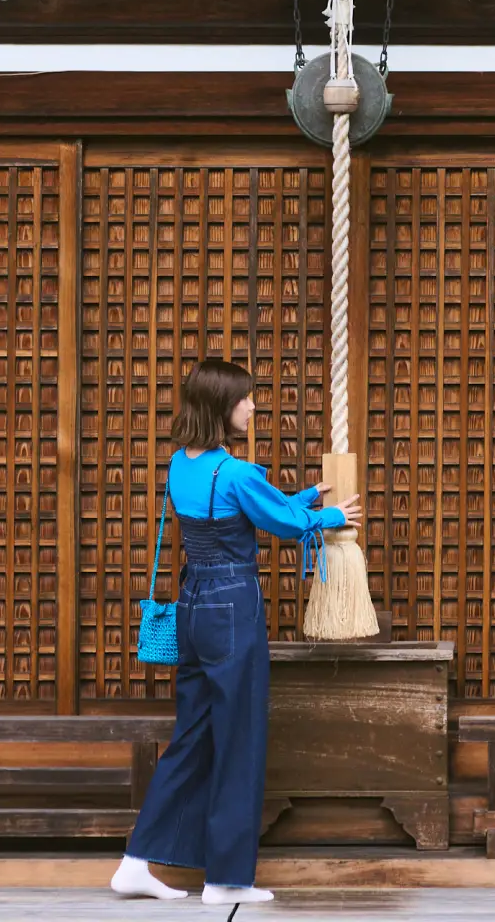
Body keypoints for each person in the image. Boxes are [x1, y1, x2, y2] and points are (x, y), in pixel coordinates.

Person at [110, 358, 364, 905]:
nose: (253, 406)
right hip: (233, 608)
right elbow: (286, 526)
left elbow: (250, 515)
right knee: (239, 739)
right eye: (246, 398)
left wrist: (303, 500)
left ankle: (136, 862)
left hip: (192, 604)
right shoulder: (239, 473)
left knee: (193, 736)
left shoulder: (181, 464)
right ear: (223, 405)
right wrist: (330, 516)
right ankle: (226, 879)